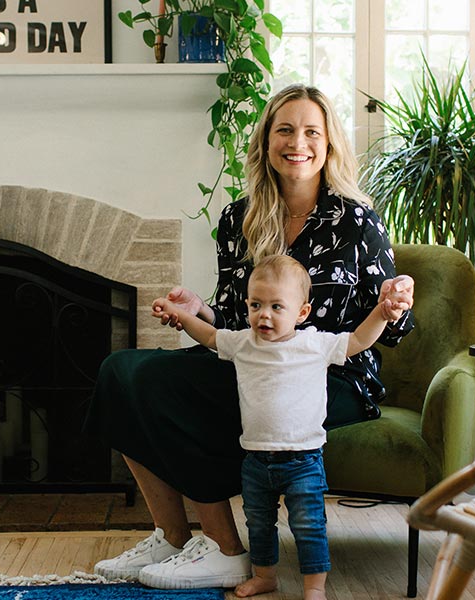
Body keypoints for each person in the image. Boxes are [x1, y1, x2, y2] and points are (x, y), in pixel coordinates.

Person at [87, 84, 415, 590]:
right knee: (121, 373)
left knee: (161, 388)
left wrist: (396, 302)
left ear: (328, 146)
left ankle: (224, 548)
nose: (296, 141)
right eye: (284, 129)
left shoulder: (356, 221)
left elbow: (386, 331)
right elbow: (236, 321)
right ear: (266, 142)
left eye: (311, 131)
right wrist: (199, 310)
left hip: (331, 377)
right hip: (255, 363)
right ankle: (172, 536)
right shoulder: (237, 218)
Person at [151, 254, 406, 599]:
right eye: (256, 305)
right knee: (258, 525)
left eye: (276, 307)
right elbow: (210, 336)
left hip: (303, 461)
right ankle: (265, 577)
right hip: (256, 460)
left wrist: (382, 313)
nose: (264, 315)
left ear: (301, 313)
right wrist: (181, 314)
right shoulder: (243, 343)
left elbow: (359, 340)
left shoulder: (313, 345)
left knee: (309, 526)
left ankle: (315, 587)